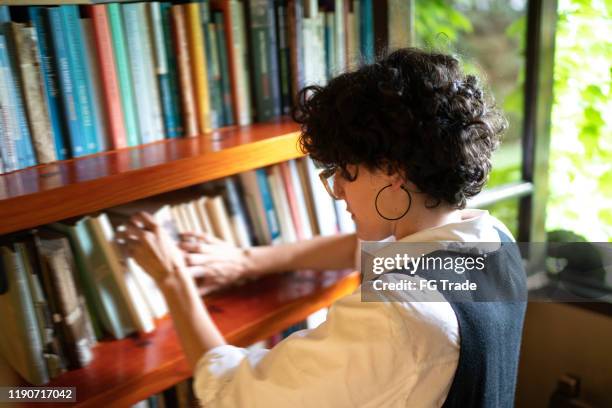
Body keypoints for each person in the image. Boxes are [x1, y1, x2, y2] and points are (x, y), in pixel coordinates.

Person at [119, 48, 527, 407]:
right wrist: (246, 260)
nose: (336, 190)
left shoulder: (397, 315)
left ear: (392, 172)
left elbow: (233, 393)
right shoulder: (493, 240)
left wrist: (173, 278)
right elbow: (370, 254)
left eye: (345, 172)